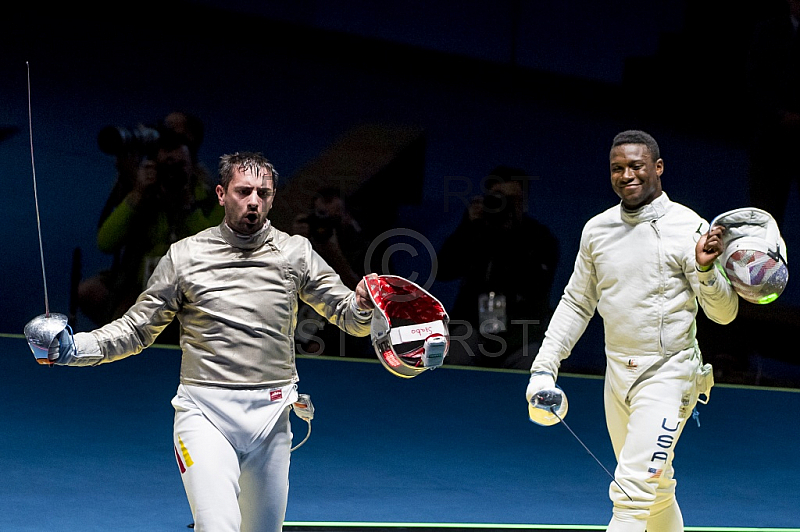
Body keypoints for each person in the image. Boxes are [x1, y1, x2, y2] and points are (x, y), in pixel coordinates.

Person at [37, 152, 375, 532]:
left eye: (263, 193)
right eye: (243, 191)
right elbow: (136, 329)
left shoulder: (295, 253)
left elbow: (349, 317)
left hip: (272, 416)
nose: (253, 201)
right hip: (205, 412)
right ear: (220, 194)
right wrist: (74, 349)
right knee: (218, 525)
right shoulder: (186, 256)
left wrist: (362, 304)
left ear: (273, 198)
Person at [525, 130, 739, 532]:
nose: (627, 175)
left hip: (670, 374)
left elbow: (723, 314)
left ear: (657, 168)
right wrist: (544, 367)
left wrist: (708, 270)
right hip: (617, 375)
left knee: (631, 494)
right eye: (617, 168)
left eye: (637, 166)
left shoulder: (688, 227)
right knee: (656, 493)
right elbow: (576, 303)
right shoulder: (597, 230)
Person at [77, 112, 224, 334]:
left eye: (180, 166)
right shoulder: (145, 194)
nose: (173, 173)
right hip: (144, 290)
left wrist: (186, 207)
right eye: (167, 166)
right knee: (93, 294)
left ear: (191, 166)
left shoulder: (209, 198)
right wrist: (137, 194)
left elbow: (219, 248)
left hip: (192, 291)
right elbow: (106, 243)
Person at [438, 166, 559, 369]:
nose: (507, 206)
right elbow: (444, 271)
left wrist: (510, 234)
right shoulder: (476, 231)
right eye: (499, 198)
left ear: (524, 202)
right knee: (458, 352)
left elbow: (536, 287)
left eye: (513, 200)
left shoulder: (540, 239)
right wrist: (466, 226)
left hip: (520, 333)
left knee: (536, 362)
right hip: (474, 327)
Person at [290, 187, 373, 357]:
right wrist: (294, 244)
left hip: (345, 338)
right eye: (321, 217)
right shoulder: (303, 247)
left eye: (334, 218)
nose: (327, 227)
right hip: (302, 329)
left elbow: (365, 298)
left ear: (348, 216)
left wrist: (334, 254)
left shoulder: (366, 248)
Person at [745, 0, 800, 229]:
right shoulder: (767, 30)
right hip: (771, 134)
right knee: (766, 211)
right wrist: (779, 114)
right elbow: (754, 79)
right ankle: (765, 261)